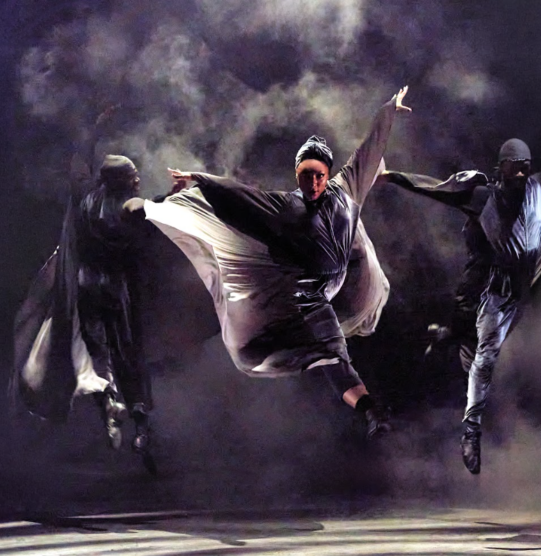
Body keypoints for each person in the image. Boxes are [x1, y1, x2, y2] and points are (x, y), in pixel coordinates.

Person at [142, 87, 412, 440]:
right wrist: (199, 179)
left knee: (335, 351)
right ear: (297, 174)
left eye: (318, 175)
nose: (312, 183)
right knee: (329, 353)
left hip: (330, 286)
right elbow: (239, 196)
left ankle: (371, 410)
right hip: (302, 292)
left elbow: (370, 148)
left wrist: (389, 109)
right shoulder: (285, 206)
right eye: (306, 175)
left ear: (328, 173)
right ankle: (369, 410)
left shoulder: (346, 190)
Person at [379, 120, 541, 473]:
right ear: (501, 169)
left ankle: (455, 340)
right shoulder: (483, 198)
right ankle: (471, 431)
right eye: (514, 168)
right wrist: (393, 177)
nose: (520, 174)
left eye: (525, 167)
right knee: (483, 357)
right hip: (499, 289)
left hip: (527, 274)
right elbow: (436, 188)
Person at [11, 152, 184, 472]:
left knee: (96, 355)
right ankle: (140, 426)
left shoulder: (87, 202)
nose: (138, 179)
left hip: (86, 287)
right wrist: (174, 196)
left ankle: (108, 401)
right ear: (122, 181)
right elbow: (147, 208)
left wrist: (86, 141)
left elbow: (78, 174)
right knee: (127, 355)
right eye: (132, 175)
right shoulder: (126, 206)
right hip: (115, 290)